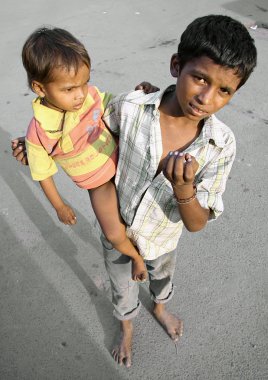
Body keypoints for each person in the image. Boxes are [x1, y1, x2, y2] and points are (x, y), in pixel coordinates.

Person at [12, 15, 257, 368]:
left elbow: (197, 223)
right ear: (176, 66)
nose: (206, 97)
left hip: (163, 238)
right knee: (121, 285)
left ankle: (159, 308)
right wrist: (36, 144)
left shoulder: (220, 145)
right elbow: (85, 130)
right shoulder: (130, 108)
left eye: (224, 90)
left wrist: (184, 190)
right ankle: (126, 327)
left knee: (161, 277)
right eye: (199, 78)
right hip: (119, 228)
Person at [15, 27, 154, 282]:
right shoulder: (39, 133)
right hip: (98, 184)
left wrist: (140, 97)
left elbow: (113, 105)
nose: (80, 94)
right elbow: (43, 174)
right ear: (40, 88)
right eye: (69, 89)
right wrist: (59, 206)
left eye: (85, 82)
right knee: (114, 234)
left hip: (126, 160)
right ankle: (136, 258)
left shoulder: (88, 95)